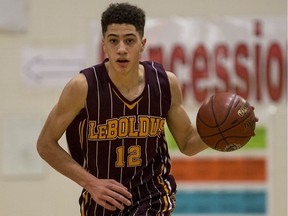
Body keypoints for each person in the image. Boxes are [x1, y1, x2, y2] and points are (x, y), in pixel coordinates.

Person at [37, 3, 209, 216]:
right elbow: (45, 144)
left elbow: (187, 144)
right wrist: (91, 183)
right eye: (113, 40)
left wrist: (223, 135)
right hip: (101, 199)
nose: (121, 49)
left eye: (129, 40)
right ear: (104, 45)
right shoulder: (82, 87)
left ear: (142, 44)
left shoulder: (165, 83)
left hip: (152, 195)